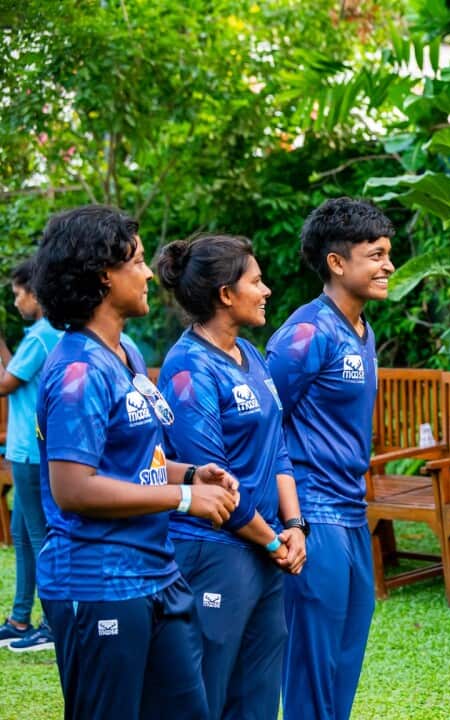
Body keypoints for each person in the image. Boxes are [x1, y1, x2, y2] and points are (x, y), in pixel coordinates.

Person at [31, 204, 240, 719]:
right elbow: (74, 488)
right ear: (104, 273)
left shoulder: (123, 352)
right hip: (98, 583)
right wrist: (186, 497)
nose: (148, 274)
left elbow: (135, 462)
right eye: (138, 262)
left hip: (156, 574)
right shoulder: (78, 369)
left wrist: (190, 473)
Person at [155, 234, 308, 719]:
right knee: (208, 688)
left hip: (266, 549)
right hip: (216, 551)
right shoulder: (188, 367)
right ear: (225, 294)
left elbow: (277, 447)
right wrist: (272, 542)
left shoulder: (252, 354)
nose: (266, 291)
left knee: (259, 693)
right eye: (256, 281)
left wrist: (296, 525)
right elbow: (214, 486)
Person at [266, 197, 393, 720]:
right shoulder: (305, 333)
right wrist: (287, 516)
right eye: (376, 255)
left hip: (351, 510)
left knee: (344, 659)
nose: (388, 266)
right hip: (313, 513)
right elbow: (262, 425)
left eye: (389, 254)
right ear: (337, 263)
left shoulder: (362, 331)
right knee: (311, 667)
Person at [0, 258, 62, 653]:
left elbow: (5, 382)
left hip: (28, 451)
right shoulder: (44, 332)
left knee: (39, 537)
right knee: (23, 535)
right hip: (27, 448)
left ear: (36, 293)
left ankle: (52, 624)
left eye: (19, 295)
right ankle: (20, 618)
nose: (17, 303)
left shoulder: (42, 334)